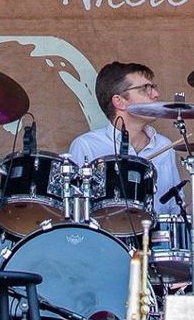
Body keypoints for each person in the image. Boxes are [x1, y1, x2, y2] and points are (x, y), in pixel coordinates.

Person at [68, 61, 185, 215]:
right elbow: (73, 211)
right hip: (106, 237)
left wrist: (193, 212)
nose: (156, 94)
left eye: (153, 87)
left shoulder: (164, 146)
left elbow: (175, 209)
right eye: (145, 89)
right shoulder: (87, 146)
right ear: (119, 101)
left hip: (159, 237)